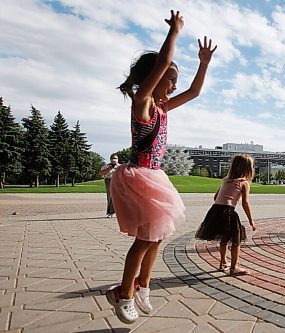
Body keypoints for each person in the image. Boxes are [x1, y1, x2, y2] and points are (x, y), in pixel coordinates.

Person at [106, 10, 217, 324]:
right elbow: (163, 63)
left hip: (153, 176)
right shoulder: (142, 104)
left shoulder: (164, 108)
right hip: (137, 176)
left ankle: (143, 284)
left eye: (173, 83)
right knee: (144, 239)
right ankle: (123, 293)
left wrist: (204, 64)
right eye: (168, 81)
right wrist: (175, 32)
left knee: (157, 236)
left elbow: (194, 92)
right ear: (152, 78)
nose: (171, 87)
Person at [195, 154, 256, 276]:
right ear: (248, 169)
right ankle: (234, 268)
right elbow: (245, 203)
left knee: (224, 238)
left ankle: (223, 262)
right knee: (236, 240)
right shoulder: (243, 183)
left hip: (215, 210)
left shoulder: (226, 181)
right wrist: (251, 221)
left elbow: (215, 197)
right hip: (228, 212)